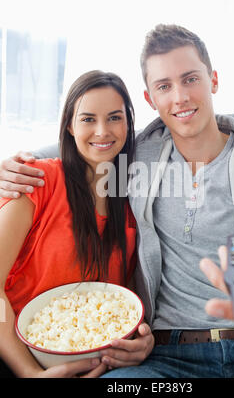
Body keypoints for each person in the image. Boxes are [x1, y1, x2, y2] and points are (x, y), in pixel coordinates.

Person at [1, 24, 234, 378]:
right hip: (171, 356)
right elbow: (86, 145)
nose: (180, 98)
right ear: (150, 100)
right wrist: (14, 165)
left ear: (213, 80)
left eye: (190, 79)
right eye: (164, 86)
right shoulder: (141, 154)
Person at [0, 70, 154, 378]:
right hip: (13, 355)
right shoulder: (35, 181)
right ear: (69, 125)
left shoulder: (134, 203)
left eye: (114, 118)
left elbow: (121, 302)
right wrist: (30, 373)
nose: (102, 131)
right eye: (87, 119)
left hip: (95, 365)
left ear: (128, 124)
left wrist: (143, 341)